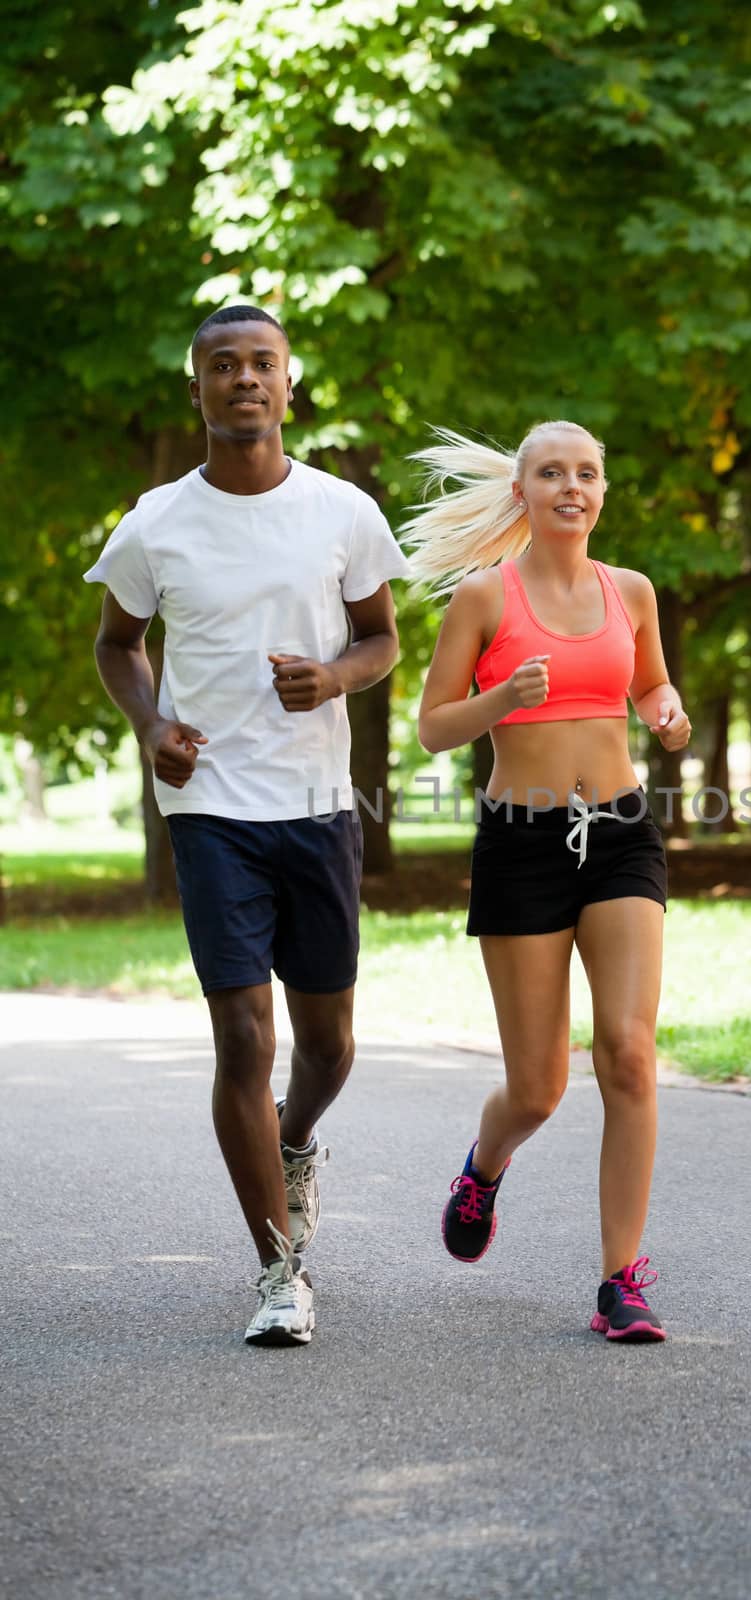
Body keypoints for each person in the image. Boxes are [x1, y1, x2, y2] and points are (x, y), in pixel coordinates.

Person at [85, 305, 410, 1346]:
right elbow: (118, 644)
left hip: (315, 807)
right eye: (221, 365)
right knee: (242, 1035)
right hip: (211, 808)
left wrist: (335, 680)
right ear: (197, 389)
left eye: (259, 363)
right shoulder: (155, 521)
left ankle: (295, 1140)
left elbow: (382, 640)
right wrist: (151, 723)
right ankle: (278, 1270)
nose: (242, 380)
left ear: (287, 381)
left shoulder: (341, 511)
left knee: (328, 1045)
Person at [405, 420, 691, 1341]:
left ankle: (622, 1280)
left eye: (588, 473)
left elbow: (647, 686)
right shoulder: (484, 599)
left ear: (602, 492)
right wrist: (502, 699)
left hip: (618, 833)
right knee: (537, 1088)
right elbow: (434, 726)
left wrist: (668, 708)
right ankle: (484, 1168)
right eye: (552, 473)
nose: (573, 486)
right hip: (521, 843)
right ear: (521, 492)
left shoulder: (631, 591)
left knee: (629, 1053)